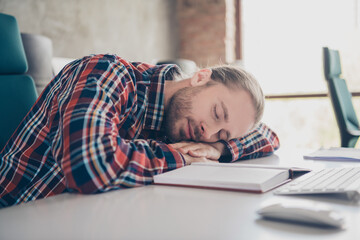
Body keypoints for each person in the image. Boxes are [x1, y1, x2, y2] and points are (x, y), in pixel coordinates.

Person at [0, 54, 279, 208]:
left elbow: (269, 135)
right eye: (218, 114)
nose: (208, 132)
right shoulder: (109, 73)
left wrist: (220, 148)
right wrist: (182, 157)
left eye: (222, 133)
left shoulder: (184, 127)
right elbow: (90, 165)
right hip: (17, 214)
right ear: (200, 77)